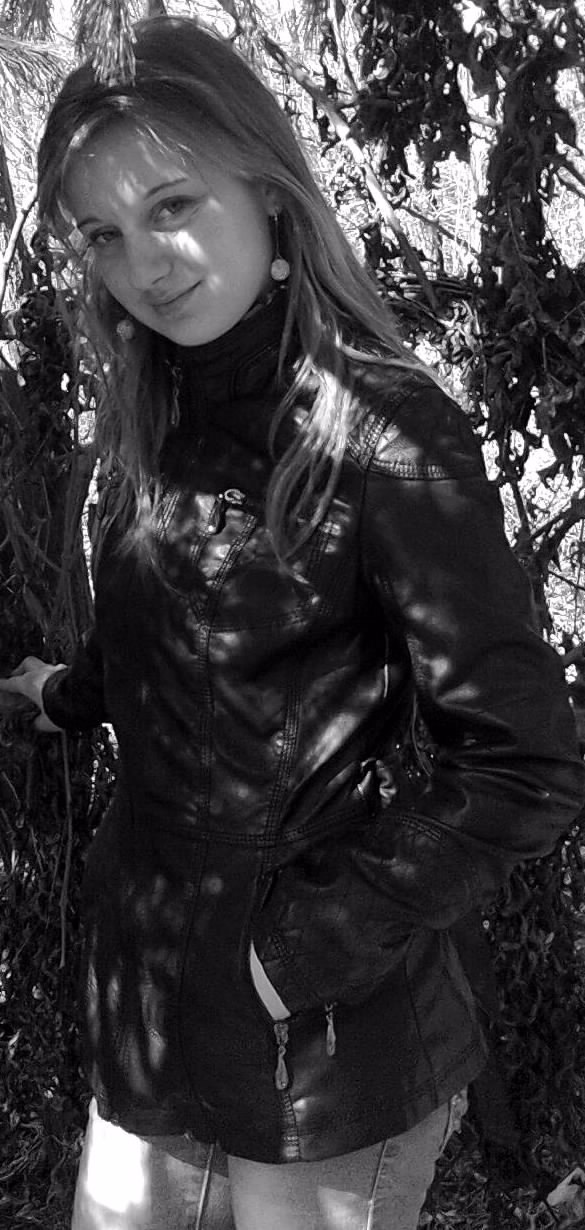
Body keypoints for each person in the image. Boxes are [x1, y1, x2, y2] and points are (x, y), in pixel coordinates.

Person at [1, 16, 583, 1230]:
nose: (143, 264)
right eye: (103, 234)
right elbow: (162, 628)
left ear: (266, 186)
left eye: (172, 205)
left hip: (319, 1055)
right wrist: (63, 693)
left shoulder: (387, 432)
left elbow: (524, 763)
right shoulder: (157, 406)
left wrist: (298, 956)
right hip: (152, 1019)